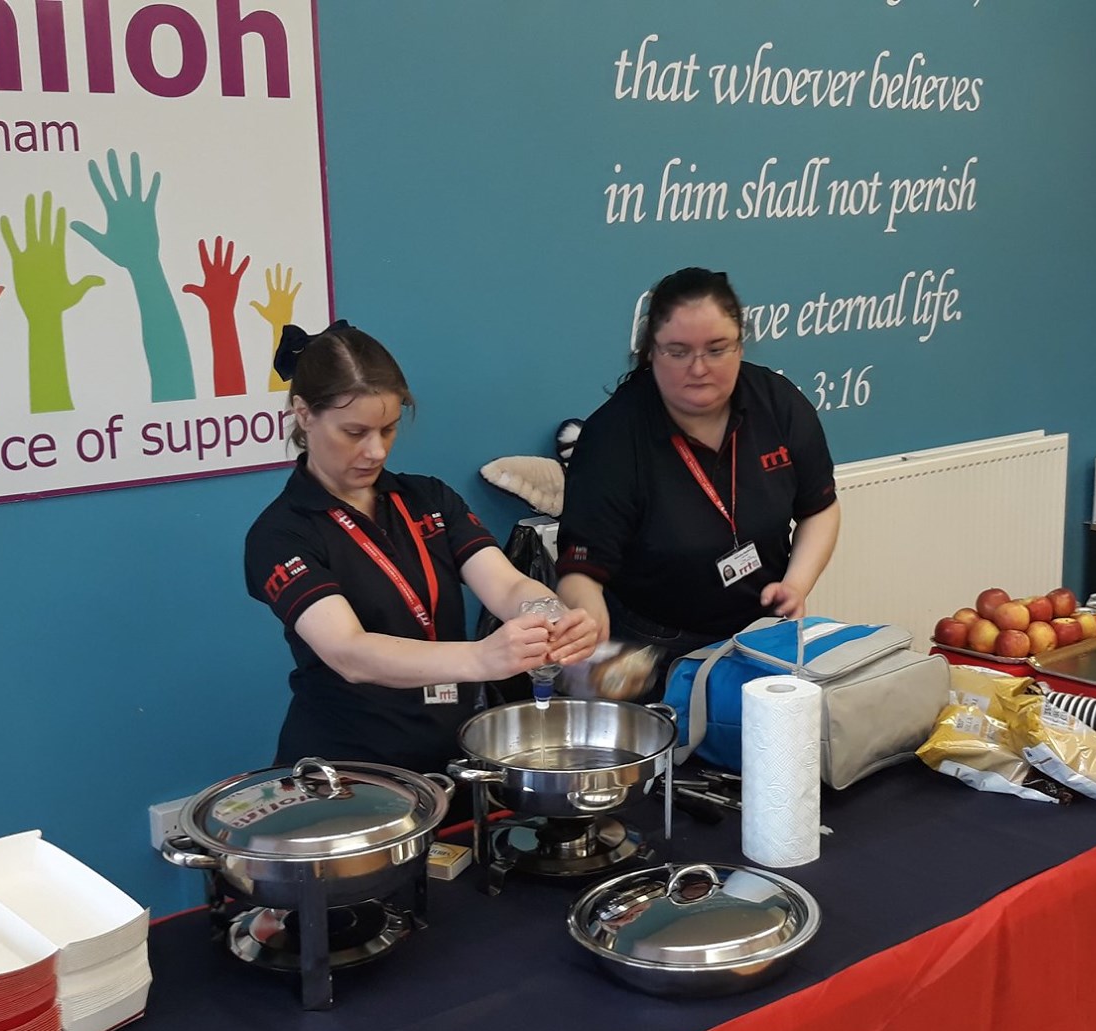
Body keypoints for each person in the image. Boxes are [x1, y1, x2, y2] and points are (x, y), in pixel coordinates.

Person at [244, 321, 599, 776]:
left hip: (452, 758)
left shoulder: (427, 499)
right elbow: (349, 652)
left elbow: (507, 585)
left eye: (388, 430)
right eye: (354, 432)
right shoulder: (280, 534)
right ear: (304, 414)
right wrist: (482, 658)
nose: (375, 451)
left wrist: (551, 616)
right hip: (348, 772)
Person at [557, 268, 841, 676]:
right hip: (655, 648)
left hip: (762, 635)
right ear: (650, 351)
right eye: (678, 351)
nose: (699, 368)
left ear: (740, 346)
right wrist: (589, 613)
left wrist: (796, 584)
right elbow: (578, 567)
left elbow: (820, 508)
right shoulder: (614, 435)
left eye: (716, 348)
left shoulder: (778, 405)